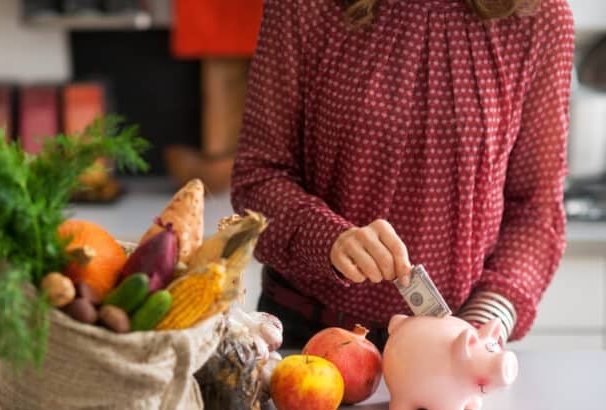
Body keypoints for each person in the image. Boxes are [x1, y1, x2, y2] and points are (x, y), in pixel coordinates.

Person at [231, 0, 574, 349]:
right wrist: (328, 239)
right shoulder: (305, 7)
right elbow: (257, 178)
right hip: (309, 339)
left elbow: (536, 210)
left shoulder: (538, 17)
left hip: (454, 351)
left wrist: (484, 322)